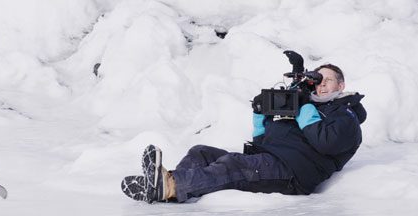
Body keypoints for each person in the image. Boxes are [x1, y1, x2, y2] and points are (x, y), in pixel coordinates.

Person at [121, 56, 367, 203]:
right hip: (272, 159)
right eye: (317, 81)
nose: (321, 86)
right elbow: (265, 140)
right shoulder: (306, 106)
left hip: (293, 173)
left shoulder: (346, 116)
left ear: (341, 84)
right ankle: (169, 187)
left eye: (328, 81)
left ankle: (171, 185)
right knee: (201, 152)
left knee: (234, 165)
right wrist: (261, 115)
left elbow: (325, 143)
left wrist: (303, 108)